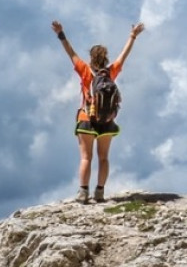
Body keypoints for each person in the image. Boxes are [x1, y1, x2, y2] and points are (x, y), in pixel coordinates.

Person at [53, 19, 144, 203]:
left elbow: (70, 52)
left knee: (86, 158)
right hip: (107, 122)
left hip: (87, 118)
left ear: (91, 58)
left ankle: (83, 192)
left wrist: (60, 34)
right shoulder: (111, 73)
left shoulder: (84, 71)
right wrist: (132, 36)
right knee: (104, 158)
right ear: (105, 58)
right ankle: (100, 192)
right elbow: (123, 56)